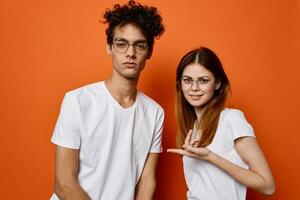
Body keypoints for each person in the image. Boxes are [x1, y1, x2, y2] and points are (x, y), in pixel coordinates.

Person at [50, 1, 165, 199]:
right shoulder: (78, 101)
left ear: (149, 52)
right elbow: (64, 184)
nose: (130, 53)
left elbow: (147, 180)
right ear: (109, 48)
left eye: (139, 45)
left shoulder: (155, 112)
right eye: (121, 44)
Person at [167, 47, 275, 200]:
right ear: (180, 84)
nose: (194, 88)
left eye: (203, 80)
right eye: (188, 80)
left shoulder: (232, 119)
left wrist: (211, 157)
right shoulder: (194, 128)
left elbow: (267, 186)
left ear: (217, 83)